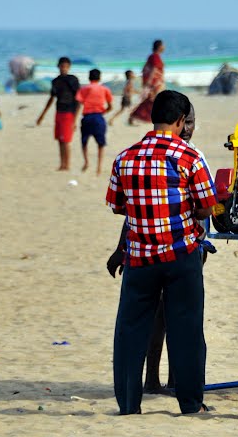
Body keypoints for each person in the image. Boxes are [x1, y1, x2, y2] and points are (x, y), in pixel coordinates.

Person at [106, 90, 218, 416]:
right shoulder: (189, 158)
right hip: (181, 255)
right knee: (187, 331)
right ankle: (190, 403)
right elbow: (207, 206)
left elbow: (117, 206)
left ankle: (129, 404)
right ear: (181, 120)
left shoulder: (125, 158)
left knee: (130, 332)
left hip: (139, 258)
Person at [36, 57, 80, 171]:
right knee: (60, 140)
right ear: (58, 67)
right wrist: (42, 115)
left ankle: (67, 165)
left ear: (69, 67)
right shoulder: (55, 81)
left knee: (66, 140)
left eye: (66, 67)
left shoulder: (73, 80)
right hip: (59, 112)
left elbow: (78, 99)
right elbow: (52, 98)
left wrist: (75, 119)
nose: (63, 69)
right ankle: (62, 164)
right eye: (62, 66)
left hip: (69, 112)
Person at [76, 69, 114, 175]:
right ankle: (99, 167)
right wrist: (104, 112)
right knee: (100, 144)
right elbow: (111, 106)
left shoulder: (84, 88)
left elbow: (79, 104)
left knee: (84, 141)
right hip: (98, 117)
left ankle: (86, 161)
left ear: (89, 78)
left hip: (87, 117)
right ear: (100, 78)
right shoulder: (104, 89)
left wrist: (74, 121)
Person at [129, 40, 166, 123]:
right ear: (159, 47)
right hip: (155, 84)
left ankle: (134, 116)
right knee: (155, 100)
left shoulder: (152, 56)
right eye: (163, 45)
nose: (164, 47)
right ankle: (135, 116)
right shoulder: (155, 56)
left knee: (151, 100)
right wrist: (149, 81)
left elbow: (144, 69)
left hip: (155, 83)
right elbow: (154, 69)